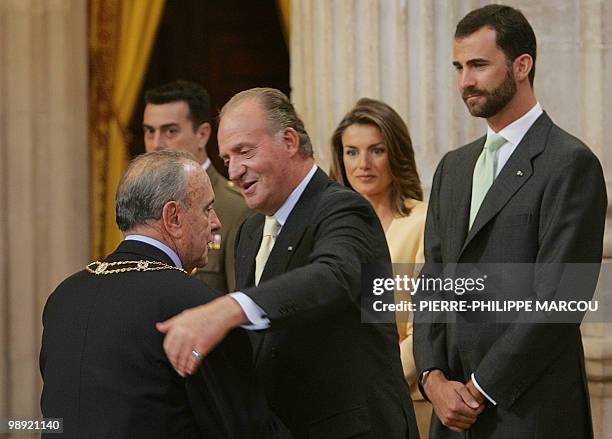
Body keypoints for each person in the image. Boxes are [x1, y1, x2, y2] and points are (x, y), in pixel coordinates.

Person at [156, 88, 420, 438]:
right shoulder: (249, 231)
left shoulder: (343, 208)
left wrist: (228, 309)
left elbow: (334, 276)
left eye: (244, 152)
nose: (234, 171)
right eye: (227, 158)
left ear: (290, 141)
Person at [413, 4, 607, 438]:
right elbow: (433, 277)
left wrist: (480, 388)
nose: (465, 81)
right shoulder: (453, 167)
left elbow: (561, 300)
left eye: (479, 65)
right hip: (451, 414)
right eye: (459, 67)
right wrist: (433, 378)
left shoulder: (570, 163)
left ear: (522, 66)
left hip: (529, 412)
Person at [40, 151, 288, 438]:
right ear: (173, 217)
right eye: (207, 209)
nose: (217, 222)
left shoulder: (63, 296)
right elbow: (244, 429)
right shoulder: (198, 308)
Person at [329, 97, 431, 437]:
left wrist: (371, 386)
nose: (363, 164)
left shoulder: (423, 221)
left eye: (377, 150)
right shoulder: (328, 227)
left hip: (408, 398)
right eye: (352, 151)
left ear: (396, 154)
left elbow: (426, 328)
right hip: (338, 403)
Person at [143, 80, 249, 292]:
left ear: (202, 135)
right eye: (149, 131)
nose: (156, 144)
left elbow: (237, 300)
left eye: (170, 131)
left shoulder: (235, 207)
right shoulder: (142, 204)